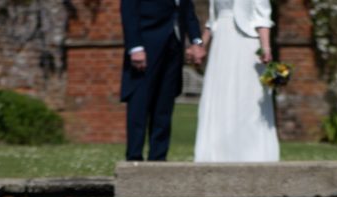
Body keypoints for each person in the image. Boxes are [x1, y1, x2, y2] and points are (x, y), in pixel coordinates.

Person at [193, 0, 279, 162]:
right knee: (220, 96)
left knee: (247, 98)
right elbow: (212, 21)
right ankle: (216, 153)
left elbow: (262, 17)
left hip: (246, 44)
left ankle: (251, 154)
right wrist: (200, 45)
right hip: (221, 44)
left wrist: (266, 47)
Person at [120, 0, 206, 161]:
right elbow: (129, 11)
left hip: (173, 46)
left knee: (164, 106)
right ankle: (134, 157)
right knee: (140, 103)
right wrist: (135, 47)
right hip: (146, 46)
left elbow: (188, 11)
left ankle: (158, 158)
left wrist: (196, 41)